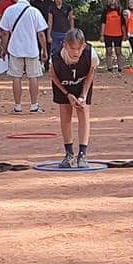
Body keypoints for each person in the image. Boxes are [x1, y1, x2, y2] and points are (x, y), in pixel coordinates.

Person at [50, 31, 96, 167]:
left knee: (83, 112)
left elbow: (91, 74)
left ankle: (82, 154)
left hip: (82, 84)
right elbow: (53, 76)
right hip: (63, 83)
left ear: (83, 46)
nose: (76, 52)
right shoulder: (56, 56)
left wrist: (83, 95)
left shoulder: (90, 54)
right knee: (65, 115)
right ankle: (69, 153)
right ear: (65, 45)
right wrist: (66, 94)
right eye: (72, 48)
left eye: (79, 48)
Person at [0, 0, 48, 113]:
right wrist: (44, 50)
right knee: (33, 77)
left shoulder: (9, 10)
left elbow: (5, 33)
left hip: (15, 48)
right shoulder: (34, 11)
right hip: (31, 48)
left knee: (16, 77)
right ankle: (34, 105)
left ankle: (17, 106)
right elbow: (41, 34)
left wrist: (3, 49)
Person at [99, 0, 126, 72]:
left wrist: (124, 34)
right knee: (108, 51)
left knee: (118, 51)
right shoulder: (105, 10)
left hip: (118, 34)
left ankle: (120, 68)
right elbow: (103, 23)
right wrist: (102, 35)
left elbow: (123, 24)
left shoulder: (120, 10)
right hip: (107, 34)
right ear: (109, 0)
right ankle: (109, 68)